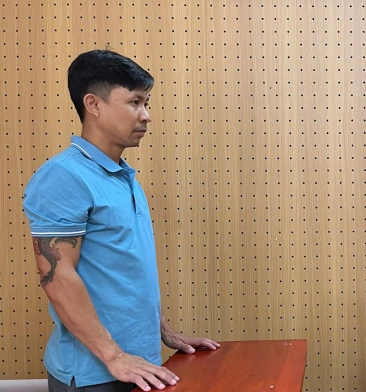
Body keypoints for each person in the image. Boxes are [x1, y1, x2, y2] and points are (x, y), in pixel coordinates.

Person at [23, 49, 220, 392]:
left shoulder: (123, 176)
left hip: (138, 365)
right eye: (134, 102)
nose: (146, 116)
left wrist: (163, 331)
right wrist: (114, 356)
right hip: (95, 374)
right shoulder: (64, 177)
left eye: (146, 103)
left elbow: (125, 271)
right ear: (94, 105)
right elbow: (57, 276)